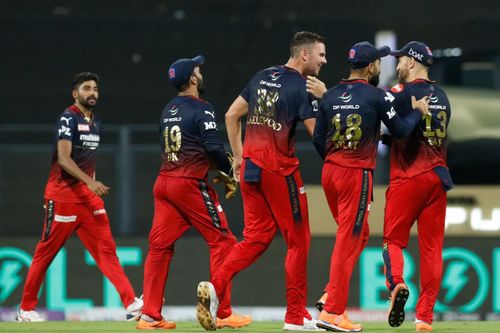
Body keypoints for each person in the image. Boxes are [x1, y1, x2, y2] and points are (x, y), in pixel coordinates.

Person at [196, 31, 327, 332]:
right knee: (298, 242)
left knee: (256, 239)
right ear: (304, 55)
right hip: (279, 170)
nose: (324, 60)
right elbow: (318, 136)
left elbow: (231, 115)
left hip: (252, 169)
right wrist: (326, 99)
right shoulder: (303, 87)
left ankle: (215, 287)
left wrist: (239, 158)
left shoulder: (262, 76)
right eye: (321, 54)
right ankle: (295, 317)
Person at [311, 42, 429, 332]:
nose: (381, 67)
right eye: (379, 62)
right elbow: (401, 130)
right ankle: (332, 312)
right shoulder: (377, 96)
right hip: (355, 174)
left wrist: (336, 159)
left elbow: (317, 139)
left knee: (358, 234)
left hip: (330, 172)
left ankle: (330, 294)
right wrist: (417, 112)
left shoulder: (331, 95)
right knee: (348, 239)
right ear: (370, 66)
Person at [16, 72, 143, 322]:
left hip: (88, 200)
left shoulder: (96, 123)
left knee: (107, 251)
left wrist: (90, 184)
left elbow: (87, 162)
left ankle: (132, 303)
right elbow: (64, 159)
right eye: (87, 88)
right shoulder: (68, 118)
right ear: (76, 93)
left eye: (95, 88)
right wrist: (90, 182)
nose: (92, 93)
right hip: (63, 197)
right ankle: (26, 309)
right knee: (46, 252)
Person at [137, 56, 251, 330]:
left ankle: (150, 315)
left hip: (164, 182)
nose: (201, 74)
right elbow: (212, 146)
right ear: (192, 80)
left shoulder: (168, 109)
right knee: (223, 241)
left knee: (159, 248)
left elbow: (186, 149)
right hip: (188, 185)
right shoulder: (202, 108)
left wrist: (216, 166)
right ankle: (222, 312)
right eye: (198, 71)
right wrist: (229, 170)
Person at [382, 41, 452, 332]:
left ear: (411, 62)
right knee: (432, 250)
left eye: (400, 60)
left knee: (393, 241)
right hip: (438, 176)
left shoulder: (400, 92)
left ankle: (397, 283)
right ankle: (424, 318)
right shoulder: (443, 95)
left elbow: (386, 115)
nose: (397, 65)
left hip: (409, 176)